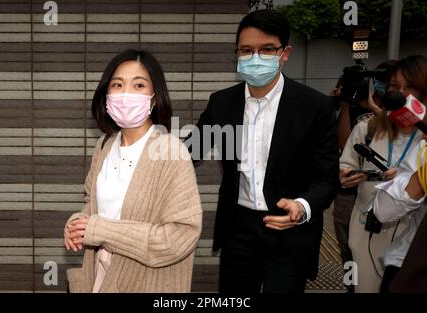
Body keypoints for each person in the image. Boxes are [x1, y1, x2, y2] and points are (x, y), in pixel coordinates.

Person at [185, 10, 338, 293]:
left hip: (289, 230)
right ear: (237, 54)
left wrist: (302, 207)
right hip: (239, 229)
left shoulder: (314, 107)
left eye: (266, 49)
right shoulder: (222, 103)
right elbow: (189, 153)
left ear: (285, 53)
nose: (255, 58)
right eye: (246, 50)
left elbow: (327, 179)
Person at [63, 49, 202, 293]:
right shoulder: (105, 145)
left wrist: (98, 229)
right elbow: (92, 203)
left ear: (155, 97)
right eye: (117, 84)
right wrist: (78, 223)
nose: (126, 93)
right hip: (101, 278)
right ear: (106, 94)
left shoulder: (171, 150)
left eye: (138, 85)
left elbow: (181, 236)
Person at [332, 61, 396, 293]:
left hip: (397, 213)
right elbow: (344, 147)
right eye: (386, 83)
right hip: (353, 200)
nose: (390, 89)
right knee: (352, 254)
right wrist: (346, 103)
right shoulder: (365, 123)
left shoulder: (416, 127)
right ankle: (352, 288)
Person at [371, 55, 427, 293]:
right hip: (413, 268)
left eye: (411, 87)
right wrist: (420, 177)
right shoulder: (422, 148)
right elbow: (383, 210)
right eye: (395, 87)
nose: (402, 95)